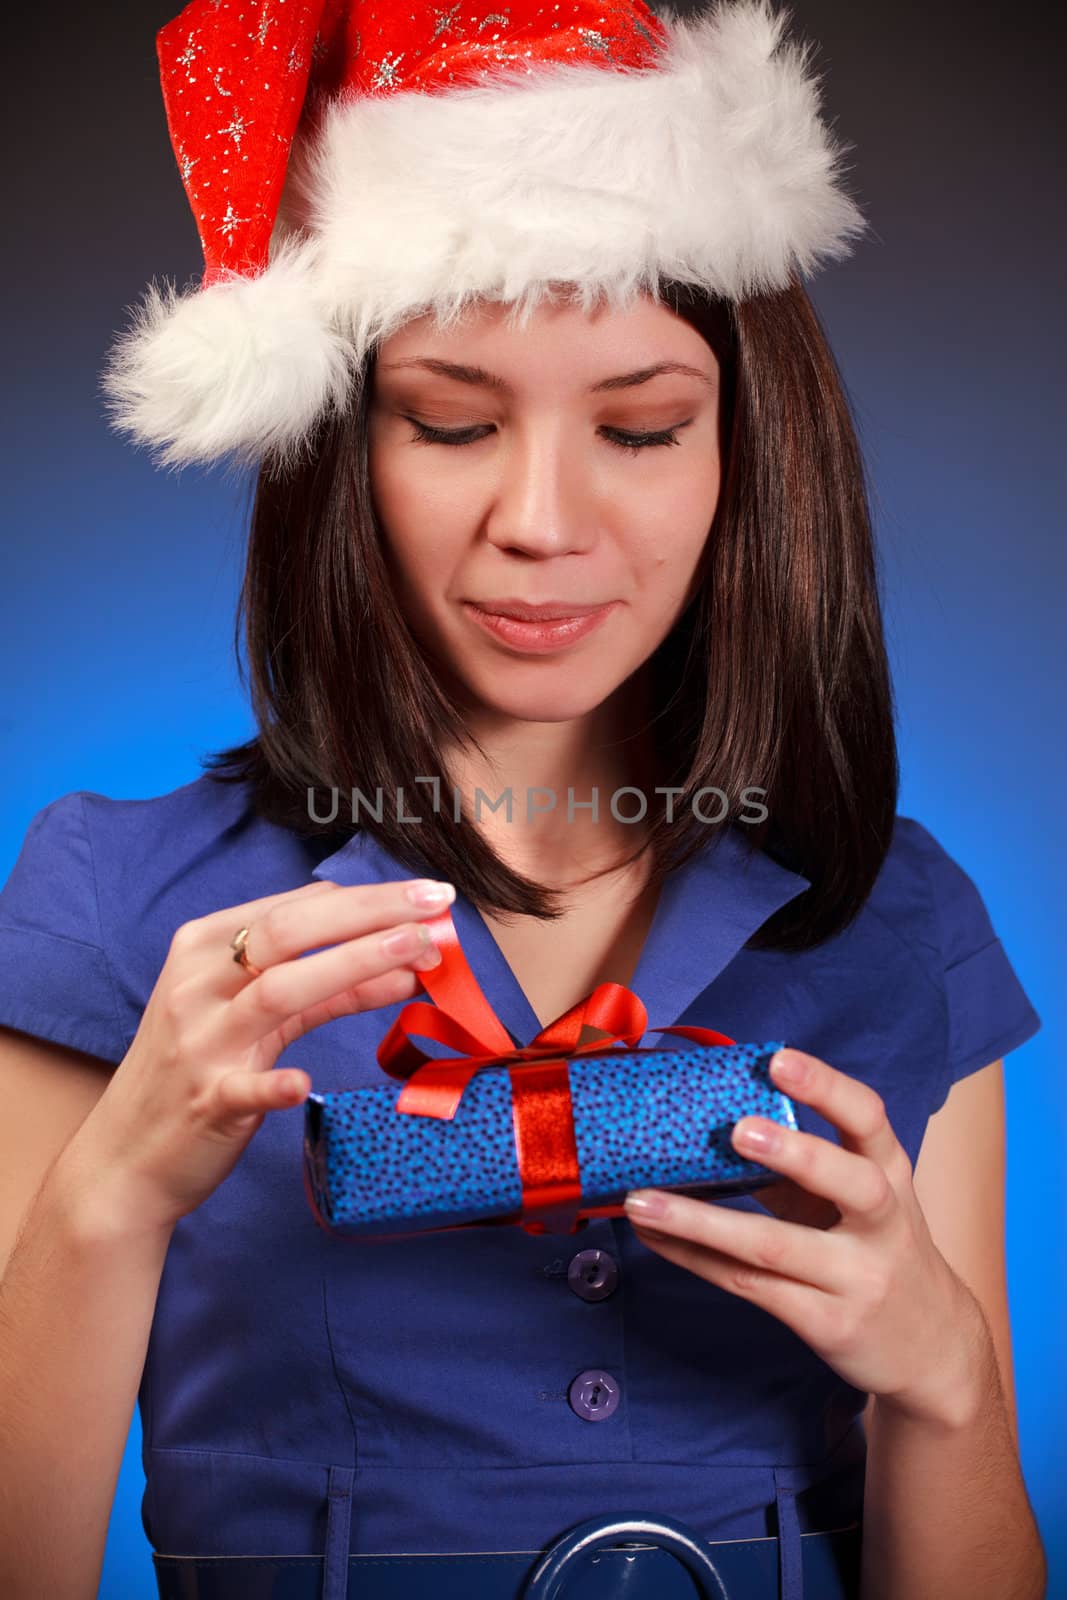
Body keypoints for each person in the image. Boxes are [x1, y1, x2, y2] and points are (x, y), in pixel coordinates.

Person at [0, 2, 1047, 1598]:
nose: (542, 523)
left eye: (640, 428)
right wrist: (114, 1194)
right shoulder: (122, 908)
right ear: (342, 446)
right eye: (451, 421)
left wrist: (948, 1377)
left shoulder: (899, 918)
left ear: (747, 451)